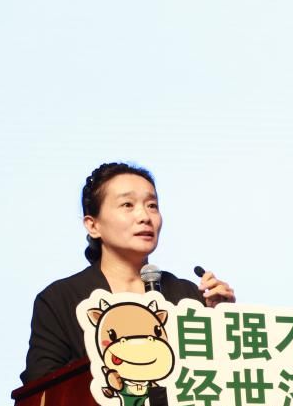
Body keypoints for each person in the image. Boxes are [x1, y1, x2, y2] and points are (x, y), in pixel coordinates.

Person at [20, 162, 235, 384]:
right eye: (127, 205)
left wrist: (223, 321)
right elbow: (41, 386)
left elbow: (221, 380)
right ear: (93, 226)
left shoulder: (188, 296)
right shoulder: (60, 299)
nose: (144, 216)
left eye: (152, 205)